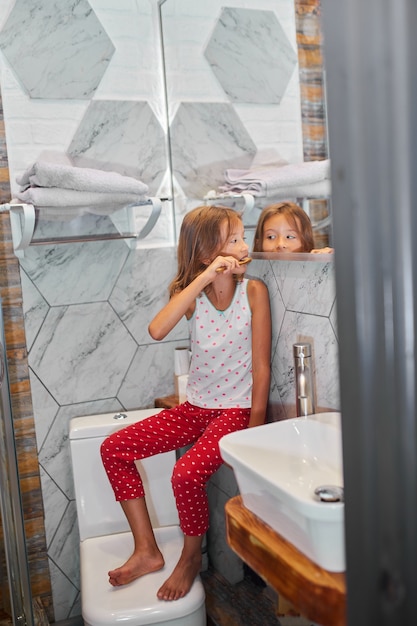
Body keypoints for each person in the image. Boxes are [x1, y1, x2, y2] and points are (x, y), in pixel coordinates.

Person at [100, 205, 271, 602]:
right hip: (196, 408)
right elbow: (157, 329)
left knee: (185, 474)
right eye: (234, 240)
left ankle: (191, 557)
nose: (244, 246)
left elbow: (261, 369)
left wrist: (254, 433)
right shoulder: (190, 296)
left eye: (242, 237)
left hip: (235, 411)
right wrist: (206, 276)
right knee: (114, 449)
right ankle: (146, 550)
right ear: (207, 254)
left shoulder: (253, 292)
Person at [253, 201, 334, 254]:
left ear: (305, 243)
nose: (280, 245)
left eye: (290, 237)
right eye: (271, 237)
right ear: (258, 244)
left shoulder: (318, 270)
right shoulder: (254, 279)